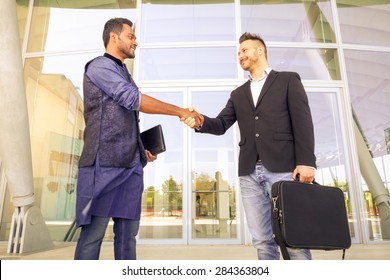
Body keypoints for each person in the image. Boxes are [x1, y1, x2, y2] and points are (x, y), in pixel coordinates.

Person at [74, 17, 200, 260]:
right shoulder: (99, 66)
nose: (135, 42)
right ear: (114, 37)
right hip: (103, 166)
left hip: (131, 167)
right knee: (93, 236)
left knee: (127, 238)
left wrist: (141, 150)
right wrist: (181, 111)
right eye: (131, 36)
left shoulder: (123, 73)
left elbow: (125, 119)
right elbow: (133, 100)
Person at [184, 32, 316, 260]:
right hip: (249, 173)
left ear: (260, 50)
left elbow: (303, 121)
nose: (240, 55)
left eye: (244, 50)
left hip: (284, 169)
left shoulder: (287, 80)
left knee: (294, 238)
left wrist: (306, 162)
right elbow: (221, 124)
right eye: (238, 53)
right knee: (262, 241)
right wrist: (200, 121)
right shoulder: (238, 93)